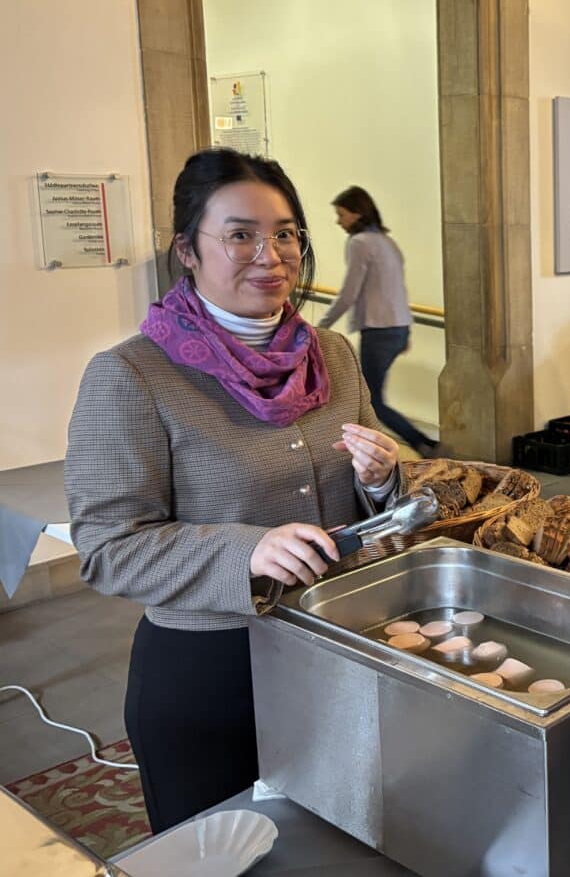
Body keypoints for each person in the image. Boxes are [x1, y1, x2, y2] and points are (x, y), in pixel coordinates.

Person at [64, 149, 402, 833]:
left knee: (340, 840)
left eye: (286, 233)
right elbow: (106, 548)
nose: (270, 254)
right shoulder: (131, 375)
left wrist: (383, 478)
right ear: (187, 250)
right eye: (241, 234)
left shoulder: (331, 354)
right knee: (217, 851)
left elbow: (376, 502)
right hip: (209, 673)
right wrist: (247, 552)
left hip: (334, 646)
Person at [319, 185, 440, 458]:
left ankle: (422, 443)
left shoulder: (360, 243)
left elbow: (350, 292)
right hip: (397, 328)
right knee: (369, 394)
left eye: (341, 214)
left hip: (379, 331)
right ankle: (417, 443)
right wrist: (405, 331)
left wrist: (321, 326)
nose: (338, 221)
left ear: (357, 213)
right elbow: (397, 289)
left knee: (371, 399)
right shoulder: (387, 242)